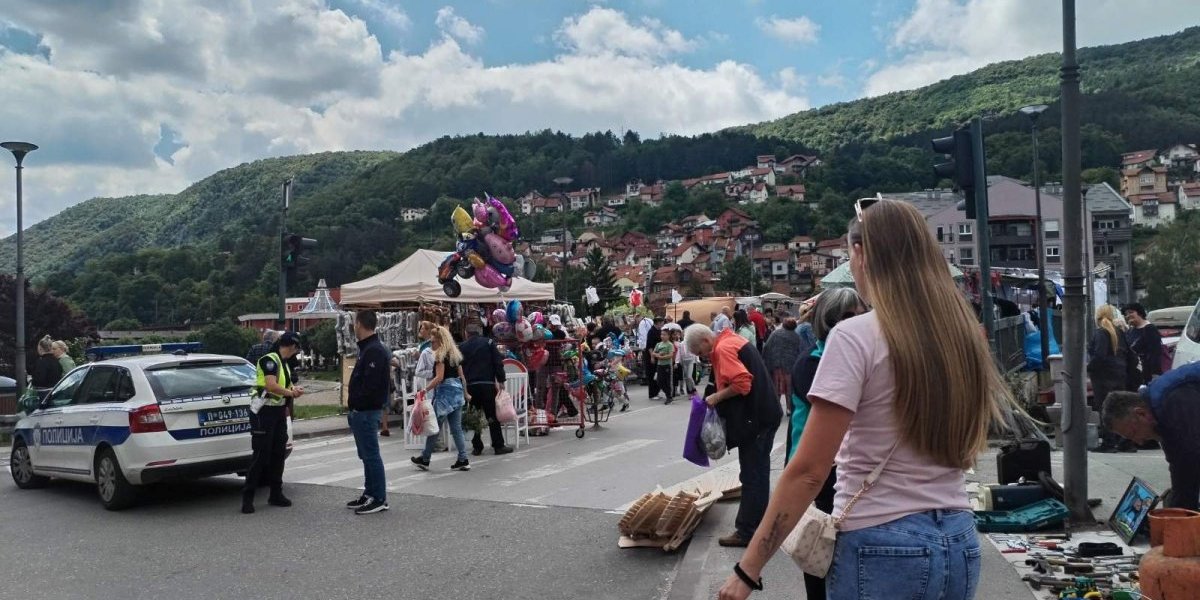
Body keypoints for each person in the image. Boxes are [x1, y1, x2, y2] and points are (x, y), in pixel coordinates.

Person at [717, 199, 1003, 600]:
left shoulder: (854, 337)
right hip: (958, 539)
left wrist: (747, 571)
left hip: (882, 541)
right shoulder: (962, 336)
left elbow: (809, 472)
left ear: (861, 253)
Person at [785, 288, 866, 600]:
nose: (856, 323)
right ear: (828, 322)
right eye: (846, 317)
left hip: (843, 466)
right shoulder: (813, 363)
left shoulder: (850, 356)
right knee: (820, 547)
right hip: (816, 469)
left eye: (860, 316)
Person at [684, 323, 781, 548]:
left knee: (752, 475)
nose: (703, 357)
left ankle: (747, 531)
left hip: (757, 419)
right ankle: (760, 527)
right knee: (758, 473)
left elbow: (742, 384)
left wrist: (716, 397)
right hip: (764, 414)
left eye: (700, 352)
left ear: (706, 341)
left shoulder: (723, 349)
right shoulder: (731, 340)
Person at [1104, 361, 1200, 511]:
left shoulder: (1175, 401)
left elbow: (1190, 459)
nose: (1139, 442)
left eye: (1133, 433)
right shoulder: (1158, 411)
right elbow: (1178, 463)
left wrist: (1179, 512)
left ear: (1141, 414)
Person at [243, 332, 304, 514]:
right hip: (264, 413)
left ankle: (276, 494)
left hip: (278, 412)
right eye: (297, 349)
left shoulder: (283, 363)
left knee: (278, 453)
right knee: (261, 455)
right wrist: (291, 393)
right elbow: (270, 385)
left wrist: (294, 389)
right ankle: (248, 497)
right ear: (292, 346)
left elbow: (283, 385)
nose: (296, 353)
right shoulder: (269, 360)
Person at [344, 311, 391, 515]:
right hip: (361, 410)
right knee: (366, 455)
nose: (353, 327)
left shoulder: (374, 350)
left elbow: (371, 385)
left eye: (355, 323)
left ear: (359, 324)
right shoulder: (367, 348)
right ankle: (370, 492)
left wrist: (358, 402)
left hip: (366, 410)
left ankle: (379, 498)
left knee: (371, 455)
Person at [412, 326, 472, 472]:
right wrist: (465, 393)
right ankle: (463, 459)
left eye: (433, 342)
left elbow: (439, 378)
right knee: (456, 428)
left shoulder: (440, 356)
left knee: (434, 427)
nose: (431, 345)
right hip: (457, 394)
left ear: (441, 341)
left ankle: (425, 458)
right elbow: (462, 377)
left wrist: (425, 390)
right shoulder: (454, 355)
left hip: (445, 396)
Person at [459, 323, 513, 456]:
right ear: (479, 332)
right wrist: (501, 379)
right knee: (491, 415)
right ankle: (498, 445)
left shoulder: (462, 347)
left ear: (466, 333)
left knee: (475, 416)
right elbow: (497, 362)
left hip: (471, 386)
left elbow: (459, 366)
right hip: (487, 384)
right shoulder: (489, 343)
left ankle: (477, 446)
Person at [1089, 304, 1137, 453]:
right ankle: (1125, 441)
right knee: (1119, 409)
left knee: (1104, 408)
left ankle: (1109, 442)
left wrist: (1089, 368)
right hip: (1120, 375)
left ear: (1097, 317)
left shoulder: (1101, 333)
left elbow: (1099, 355)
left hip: (1103, 377)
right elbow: (1130, 355)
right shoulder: (1119, 332)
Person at [762, 318, 802, 408]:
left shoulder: (775, 333)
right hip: (790, 365)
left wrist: (765, 361)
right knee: (789, 388)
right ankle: (789, 408)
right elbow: (800, 350)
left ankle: (776, 407)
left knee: (777, 387)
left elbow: (767, 347)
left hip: (776, 364)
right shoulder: (796, 336)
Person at [1124, 303, 1163, 385]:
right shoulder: (1130, 331)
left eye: (1131, 312)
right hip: (1133, 374)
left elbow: (1155, 353)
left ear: (1140, 313)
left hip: (1147, 374)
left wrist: (1155, 374)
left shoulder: (1150, 329)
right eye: (1126, 314)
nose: (1128, 316)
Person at [643, 317, 665, 400]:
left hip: (658, 354)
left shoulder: (659, 331)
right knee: (652, 375)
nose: (663, 324)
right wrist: (652, 356)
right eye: (662, 322)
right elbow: (649, 346)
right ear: (658, 322)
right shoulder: (651, 331)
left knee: (657, 374)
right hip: (651, 355)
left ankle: (657, 392)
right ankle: (652, 394)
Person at [652, 329, 676, 404]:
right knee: (659, 381)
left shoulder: (670, 344)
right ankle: (668, 394)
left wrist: (662, 357)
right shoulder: (658, 344)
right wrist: (657, 355)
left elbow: (671, 355)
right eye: (661, 334)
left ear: (668, 336)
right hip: (660, 365)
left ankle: (669, 397)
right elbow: (653, 353)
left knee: (668, 382)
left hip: (667, 365)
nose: (662, 336)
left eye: (664, 334)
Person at [677, 328, 698, 397]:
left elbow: (695, 351)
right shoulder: (681, 344)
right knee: (686, 378)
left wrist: (697, 359)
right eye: (684, 334)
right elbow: (679, 353)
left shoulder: (691, 343)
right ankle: (690, 392)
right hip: (684, 361)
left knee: (689, 376)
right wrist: (677, 361)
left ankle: (694, 389)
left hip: (691, 360)